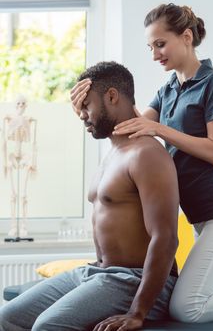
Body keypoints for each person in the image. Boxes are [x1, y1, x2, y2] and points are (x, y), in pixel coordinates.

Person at [71, 4, 213, 324]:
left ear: (186, 37)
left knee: (187, 307)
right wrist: (88, 108)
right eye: (150, 47)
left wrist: (159, 129)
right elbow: (125, 130)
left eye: (160, 44)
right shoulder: (167, 90)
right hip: (198, 218)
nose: (155, 54)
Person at [0, 61, 179, 331]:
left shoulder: (146, 154)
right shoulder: (113, 153)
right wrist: (90, 110)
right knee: (9, 316)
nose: (81, 115)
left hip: (134, 279)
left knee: (47, 326)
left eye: (87, 105)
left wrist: (137, 312)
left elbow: (165, 239)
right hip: (98, 272)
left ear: (112, 96)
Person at [2, 95, 37, 237]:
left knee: (23, 195)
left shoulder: (29, 120)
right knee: (13, 195)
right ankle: (13, 226)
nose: (21, 106)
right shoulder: (8, 118)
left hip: (24, 156)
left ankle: (23, 226)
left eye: (23, 103)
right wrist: (4, 162)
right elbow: (4, 141)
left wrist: (34, 162)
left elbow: (34, 142)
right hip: (12, 156)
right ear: (15, 105)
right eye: (18, 103)